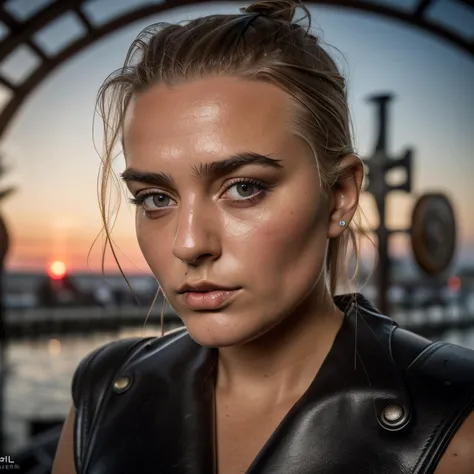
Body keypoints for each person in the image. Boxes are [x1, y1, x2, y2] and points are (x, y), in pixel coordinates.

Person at [52, 1, 474, 472]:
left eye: (244, 188)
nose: (188, 244)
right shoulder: (101, 394)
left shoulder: (459, 425)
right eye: (155, 197)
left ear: (339, 194)